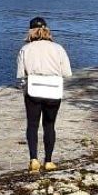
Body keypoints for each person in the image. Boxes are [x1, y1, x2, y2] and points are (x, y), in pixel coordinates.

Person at [16, 16, 72, 172]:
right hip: (53, 90)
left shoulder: (25, 49)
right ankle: (48, 161)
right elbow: (67, 72)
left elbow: (21, 74)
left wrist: (24, 88)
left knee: (32, 125)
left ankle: (33, 159)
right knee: (49, 125)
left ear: (30, 31)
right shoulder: (58, 48)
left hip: (33, 90)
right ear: (47, 30)